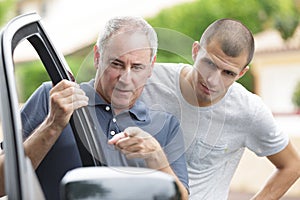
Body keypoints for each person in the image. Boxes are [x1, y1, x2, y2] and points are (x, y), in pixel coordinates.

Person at [0, 16, 189, 200]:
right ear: (97, 57)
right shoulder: (54, 98)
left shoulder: (166, 126)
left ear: (151, 67)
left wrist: (156, 157)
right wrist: (52, 124)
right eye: (117, 64)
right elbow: (1, 183)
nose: (125, 78)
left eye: (138, 67)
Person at [140, 18, 300, 200]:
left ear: (241, 73)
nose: (213, 80)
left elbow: (292, 165)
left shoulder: (249, 111)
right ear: (195, 51)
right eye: (209, 64)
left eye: (228, 73)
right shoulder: (148, 80)